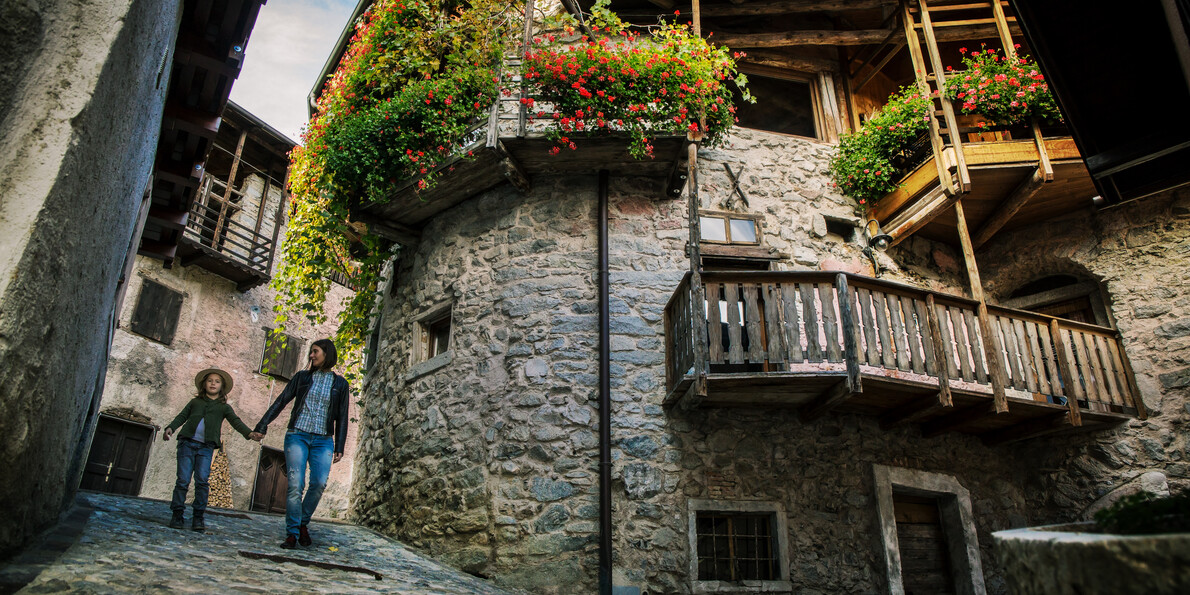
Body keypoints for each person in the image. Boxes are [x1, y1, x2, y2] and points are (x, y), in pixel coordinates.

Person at [249, 339, 350, 549]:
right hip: (298, 435)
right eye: (311, 353)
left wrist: (340, 445)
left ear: (327, 354)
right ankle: (293, 533)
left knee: (319, 484)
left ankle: (302, 522)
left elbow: (342, 416)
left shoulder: (340, 384)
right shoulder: (301, 377)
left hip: (323, 440)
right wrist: (262, 425)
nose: (311, 356)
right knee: (296, 485)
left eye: (315, 352)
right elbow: (281, 400)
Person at [164, 368, 259, 531]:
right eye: (210, 380)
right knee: (183, 480)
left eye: (217, 381)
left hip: (206, 448)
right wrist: (171, 428)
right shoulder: (195, 402)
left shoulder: (224, 407)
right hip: (187, 443)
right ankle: (177, 514)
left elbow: (236, 422)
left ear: (221, 387)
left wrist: (249, 433)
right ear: (204, 384)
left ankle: (198, 517)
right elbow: (182, 416)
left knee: (202, 481)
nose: (213, 383)